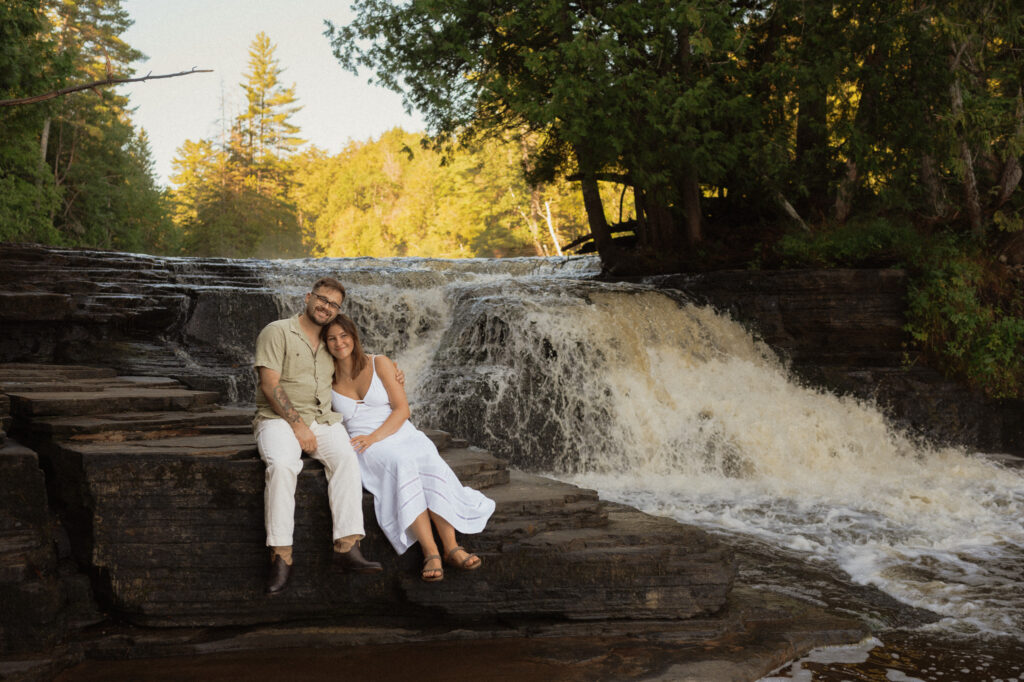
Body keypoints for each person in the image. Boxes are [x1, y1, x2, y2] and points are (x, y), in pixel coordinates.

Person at [323, 314, 495, 582]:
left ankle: (451, 547)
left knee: (427, 457)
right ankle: (430, 552)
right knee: (401, 464)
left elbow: (403, 409)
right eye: (332, 338)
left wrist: (377, 436)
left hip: (396, 429)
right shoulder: (325, 377)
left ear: (354, 337)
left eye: (343, 336)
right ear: (325, 343)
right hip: (361, 442)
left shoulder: (379, 362)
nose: (339, 342)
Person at [253, 277, 384, 595]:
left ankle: (347, 547)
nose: (326, 307)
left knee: (345, 459)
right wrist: (298, 426)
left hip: (323, 421)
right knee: (283, 465)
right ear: (309, 297)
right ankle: (281, 556)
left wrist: (390, 369)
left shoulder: (330, 341)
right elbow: (270, 384)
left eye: (334, 305)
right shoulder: (277, 331)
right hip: (278, 420)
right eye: (323, 300)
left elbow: (357, 359)